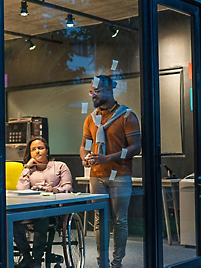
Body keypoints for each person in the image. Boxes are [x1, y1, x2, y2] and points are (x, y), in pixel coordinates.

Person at [79, 75, 141, 268]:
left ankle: (117, 263)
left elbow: (136, 147)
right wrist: (84, 157)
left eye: (96, 90)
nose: (93, 95)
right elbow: (84, 146)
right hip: (97, 176)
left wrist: (109, 158)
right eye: (91, 91)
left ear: (109, 90)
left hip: (120, 175)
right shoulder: (91, 119)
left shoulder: (126, 116)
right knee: (99, 220)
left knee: (119, 220)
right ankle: (102, 263)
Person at [14, 136, 73, 267]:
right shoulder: (30, 169)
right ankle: (26, 256)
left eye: (40, 148)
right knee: (12, 220)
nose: (37, 152)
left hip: (53, 208)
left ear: (47, 150)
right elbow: (21, 189)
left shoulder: (59, 166)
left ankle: (36, 259)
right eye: (33, 149)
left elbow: (68, 187)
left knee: (41, 218)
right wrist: (27, 168)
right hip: (32, 207)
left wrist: (54, 190)